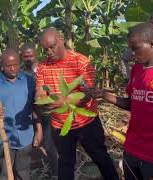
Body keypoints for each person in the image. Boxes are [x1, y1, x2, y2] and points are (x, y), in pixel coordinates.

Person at [89, 23, 153, 180]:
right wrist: (104, 94)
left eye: (135, 48)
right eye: (130, 48)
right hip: (131, 150)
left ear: (152, 44)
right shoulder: (136, 70)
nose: (131, 53)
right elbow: (132, 104)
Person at [36, 27, 119, 180]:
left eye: (52, 46)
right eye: (45, 49)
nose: (49, 52)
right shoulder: (42, 66)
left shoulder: (81, 61)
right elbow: (40, 93)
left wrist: (63, 101)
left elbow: (87, 96)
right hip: (60, 125)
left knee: (101, 158)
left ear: (61, 39)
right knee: (65, 164)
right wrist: (43, 101)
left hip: (86, 123)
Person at [0, 48, 43, 180]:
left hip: (26, 137)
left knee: (23, 173)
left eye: (15, 65)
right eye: (8, 66)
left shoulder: (29, 81)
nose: (12, 69)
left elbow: (35, 107)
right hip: (4, 138)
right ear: (2, 66)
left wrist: (39, 130)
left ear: (20, 63)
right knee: (5, 174)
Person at [21, 43, 59, 177]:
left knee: (49, 144)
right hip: (30, 111)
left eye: (30, 55)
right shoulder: (20, 72)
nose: (28, 58)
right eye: (25, 56)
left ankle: (56, 172)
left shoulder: (44, 68)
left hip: (47, 111)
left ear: (35, 54)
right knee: (34, 143)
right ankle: (40, 168)